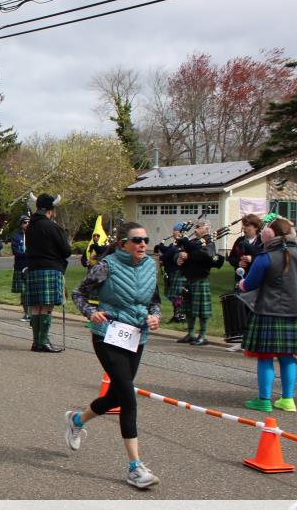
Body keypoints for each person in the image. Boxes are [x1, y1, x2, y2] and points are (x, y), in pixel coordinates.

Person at [68, 222, 162, 489]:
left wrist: (155, 316)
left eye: (145, 240)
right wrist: (91, 312)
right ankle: (135, 468)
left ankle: (76, 420)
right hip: (107, 335)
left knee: (116, 396)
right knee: (128, 398)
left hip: (136, 336)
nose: (142, 244)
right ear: (123, 244)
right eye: (137, 240)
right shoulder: (106, 266)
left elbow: (154, 301)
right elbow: (78, 293)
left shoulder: (150, 266)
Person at [237, 218, 297, 412]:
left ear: (269, 235)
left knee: (265, 357)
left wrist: (241, 283)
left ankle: (264, 401)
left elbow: (250, 284)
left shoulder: (265, 257)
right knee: (288, 358)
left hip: (268, 311)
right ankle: (288, 400)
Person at [24, 193, 70, 353]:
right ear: (50, 210)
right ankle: (43, 341)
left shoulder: (30, 227)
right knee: (47, 306)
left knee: (36, 306)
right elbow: (66, 250)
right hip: (50, 268)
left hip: (33, 268)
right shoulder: (52, 226)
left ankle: (36, 342)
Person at [176, 221, 224, 345]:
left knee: (202, 310)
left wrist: (188, 255)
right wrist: (179, 257)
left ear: (206, 229)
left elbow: (206, 256)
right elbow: (179, 251)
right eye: (195, 227)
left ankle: (202, 335)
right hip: (188, 278)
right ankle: (191, 334)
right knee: (188, 309)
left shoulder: (209, 243)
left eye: (198, 227)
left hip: (200, 278)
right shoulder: (192, 242)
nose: (195, 229)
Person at [226, 214, 263, 351]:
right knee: (240, 310)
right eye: (243, 225)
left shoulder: (261, 241)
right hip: (240, 279)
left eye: (247, 225)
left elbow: (264, 256)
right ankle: (242, 341)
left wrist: (252, 259)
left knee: (253, 311)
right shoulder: (240, 240)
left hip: (255, 280)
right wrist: (238, 263)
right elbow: (231, 258)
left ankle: (254, 341)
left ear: (256, 227)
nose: (244, 228)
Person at [156, 225, 186, 323]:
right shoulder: (174, 244)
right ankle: (177, 314)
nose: (173, 232)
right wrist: (160, 246)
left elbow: (169, 254)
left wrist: (162, 258)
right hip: (172, 272)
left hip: (178, 272)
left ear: (181, 232)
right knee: (174, 295)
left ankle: (179, 315)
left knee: (177, 295)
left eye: (175, 230)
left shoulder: (183, 245)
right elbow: (167, 250)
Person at [11, 215, 30, 322]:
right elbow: (15, 251)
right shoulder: (16, 236)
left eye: (28, 222)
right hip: (20, 266)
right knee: (23, 291)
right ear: (21, 224)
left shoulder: (34, 235)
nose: (27, 224)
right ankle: (27, 313)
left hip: (32, 266)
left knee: (30, 291)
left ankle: (32, 313)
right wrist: (28, 255)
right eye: (24, 222)